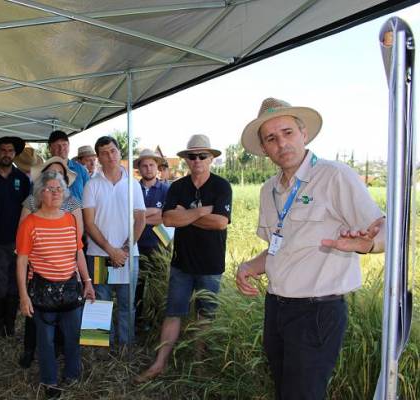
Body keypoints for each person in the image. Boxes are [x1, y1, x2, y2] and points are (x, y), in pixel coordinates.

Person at [235, 98, 385, 400]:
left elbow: (382, 227)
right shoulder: (269, 190)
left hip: (317, 311)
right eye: (271, 138)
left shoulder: (334, 176)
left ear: (304, 133)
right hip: (276, 308)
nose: (281, 143)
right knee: (284, 389)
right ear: (264, 149)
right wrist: (248, 266)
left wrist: (367, 244)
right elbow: (280, 249)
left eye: (288, 132)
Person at [136, 134, 232, 383]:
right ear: (186, 160)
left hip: (211, 265)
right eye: (192, 156)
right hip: (181, 263)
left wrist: (186, 214)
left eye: (203, 156)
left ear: (211, 159)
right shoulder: (178, 187)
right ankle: (159, 364)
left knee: (205, 316)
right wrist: (201, 211)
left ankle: (200, 365)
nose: (197, 160)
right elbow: (168, 219)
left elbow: (220, 222)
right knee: (173, 313)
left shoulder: (222, 186)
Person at [16, 171, 95, 398]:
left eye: (59, 189)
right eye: (50, 189)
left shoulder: (70, 218)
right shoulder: (30, 223)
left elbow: (78, 252)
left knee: (72, 337)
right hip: (42, 289)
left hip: (70, 287)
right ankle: (50, 381)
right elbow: (21, 261)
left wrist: (87, 281)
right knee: (46, 341)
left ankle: (72, 375)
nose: (55, 193)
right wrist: (23, 295)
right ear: (40, 193)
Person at [18, 156, 83, 368]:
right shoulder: (31, 203)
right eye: (50, 174)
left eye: (60, 174)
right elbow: (23, 243)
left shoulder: (72, 205)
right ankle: (31, 352)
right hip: (39, 275)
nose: (55, 182)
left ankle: (62, 358)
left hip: (65, 274)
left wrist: (85, 279)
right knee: (38, 322)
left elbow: (76, 242)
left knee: (66, 325)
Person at [83, 135, 146, 346]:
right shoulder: (92, 185)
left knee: (127, 303)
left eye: (112, 151)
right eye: (104, 153)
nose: (109, 156)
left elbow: (140, 219)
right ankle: (99, 350)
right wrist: (111, 250)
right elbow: (89, 223)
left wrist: (124, 251)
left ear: (119, 152)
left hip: (128, 255)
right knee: (99, 302)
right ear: (98, 157)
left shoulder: (133, 185)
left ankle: (125, 350)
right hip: (100, 255)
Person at [0, 136, 30, 337]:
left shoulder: (22, 179)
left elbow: (30, 209)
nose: (7, 154)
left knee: (15, 284)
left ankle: (10, 324)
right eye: (3, 150)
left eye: (10, 150)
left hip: (19, 242)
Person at [134, 149, 169, 329]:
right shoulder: (132, 189)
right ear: (139, 168)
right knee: (137, 287)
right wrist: (154, 212)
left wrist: (140, 217)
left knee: (156, 288)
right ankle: (137, 324)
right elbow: (128, 216)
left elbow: (167, 217)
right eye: (144, 165)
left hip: (159, 247)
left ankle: (155, 326)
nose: (148, 169)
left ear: (157, 167)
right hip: (135, 246)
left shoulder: (166, 189)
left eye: (151, 165)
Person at [48, 130, 90, 201]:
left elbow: (90, 198)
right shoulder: (42, 172)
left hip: (78, 211)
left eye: (64, 145)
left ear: (69, 146)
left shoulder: (81, 170)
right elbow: (32, 202)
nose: (61, 149)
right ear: (50, 148)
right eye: (57, 146)